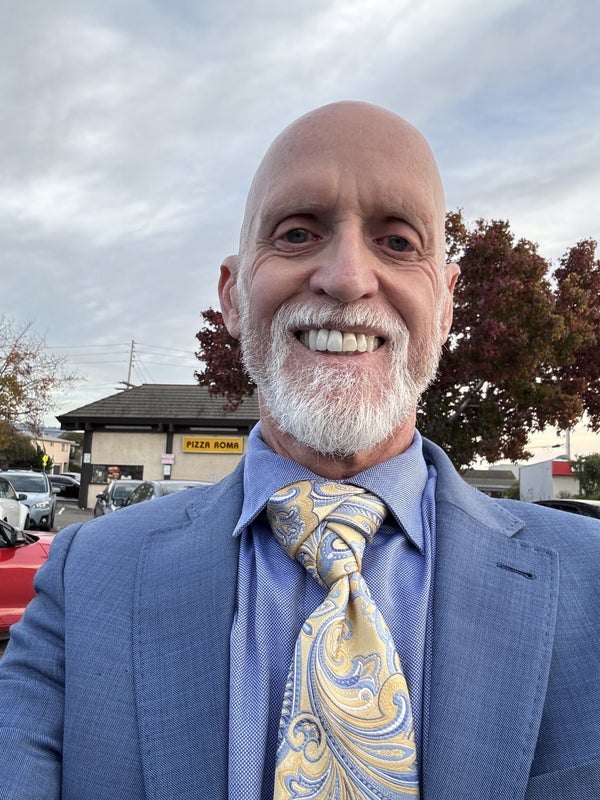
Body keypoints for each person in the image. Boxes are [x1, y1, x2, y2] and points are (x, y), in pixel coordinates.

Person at [1, 101, 599, 800]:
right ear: (232, 296)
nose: (346, 277)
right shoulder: (87, 578)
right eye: (296, 233)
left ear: (445, 305)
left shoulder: (592, 583)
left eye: (398, 241)